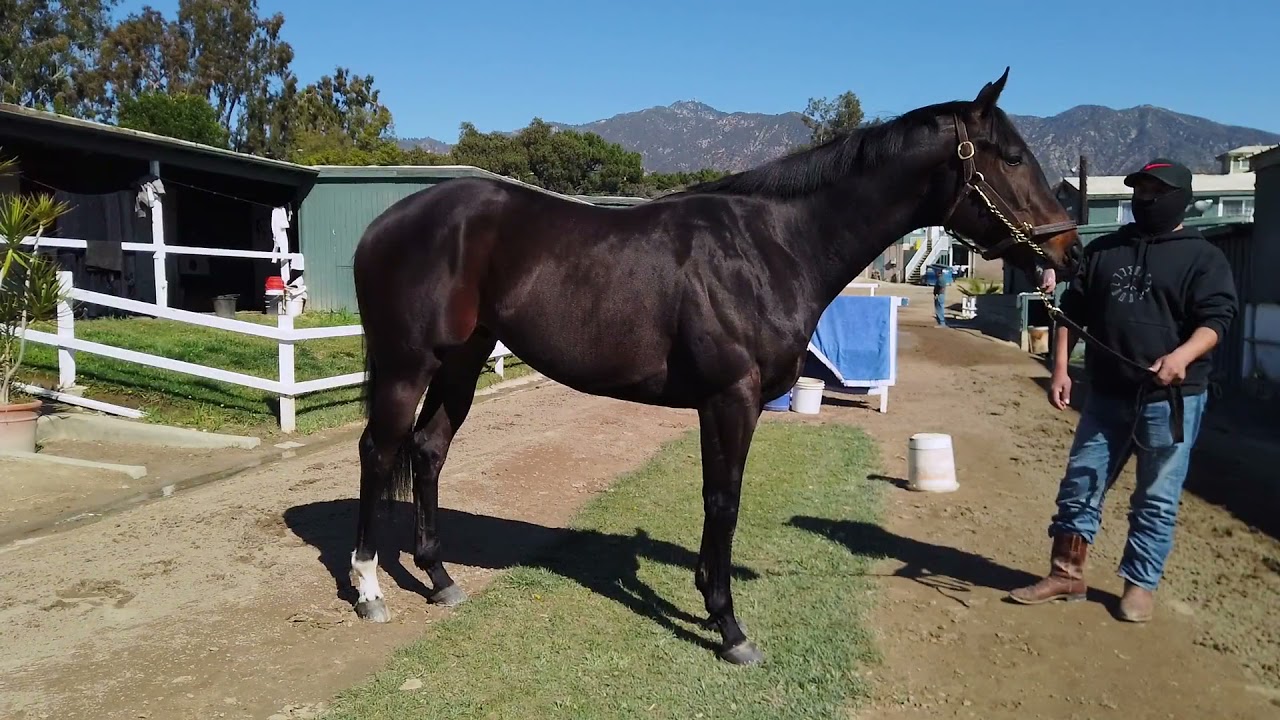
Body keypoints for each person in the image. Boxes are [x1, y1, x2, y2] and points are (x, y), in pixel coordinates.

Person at [1007, 158, 1238, 622]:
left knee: (1155, 496)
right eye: (1139, 189)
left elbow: (1217, 321)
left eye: (1154, 190)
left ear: (1178, 197)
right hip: (1107, 394)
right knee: (1081, 483)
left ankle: (1139, 586)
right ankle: (1066, 572)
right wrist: (1059, 371)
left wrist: (1180, 357)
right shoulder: (1104, 250)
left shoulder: (1203, 257)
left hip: (1171, 399)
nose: (1143, 198)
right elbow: (1071, 313)